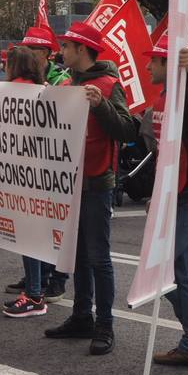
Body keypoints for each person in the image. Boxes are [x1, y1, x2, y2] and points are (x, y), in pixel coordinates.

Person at [40, 22, 133, 352]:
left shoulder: (109, 85)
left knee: (98, 256)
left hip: (96, 182)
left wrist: (102, 105)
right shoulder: (65, 82)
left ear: (81, 50)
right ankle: (82, 316)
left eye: (66, 46)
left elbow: (127, 130)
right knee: (76, 255)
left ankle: (105, 324)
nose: (60, 51)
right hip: (69, 184)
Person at [141, 44, 188, 369]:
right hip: (177, 193)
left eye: (153, 63)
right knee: (184, 272)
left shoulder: (187, 95)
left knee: (160, 269)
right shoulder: (164, 97)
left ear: (167, 65)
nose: (147, 69)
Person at [0, 47, 53, 317]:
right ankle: (36, 290)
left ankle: (34, 295)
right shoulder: (42, 87)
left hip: (20, 174)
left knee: (27, 237)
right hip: (38, 173)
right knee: (34, 236)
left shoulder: (15, 89)